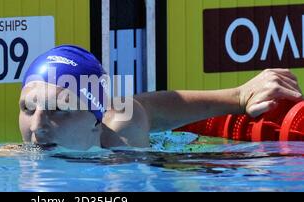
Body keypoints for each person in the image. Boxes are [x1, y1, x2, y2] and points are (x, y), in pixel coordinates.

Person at [18, 45, 303, 150]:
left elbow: (156, 106)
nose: (37, 126)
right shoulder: (18, 159)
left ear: (96, 119)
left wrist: (241, 96)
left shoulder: (120, 127)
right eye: (28, 109)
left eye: (59, 109)